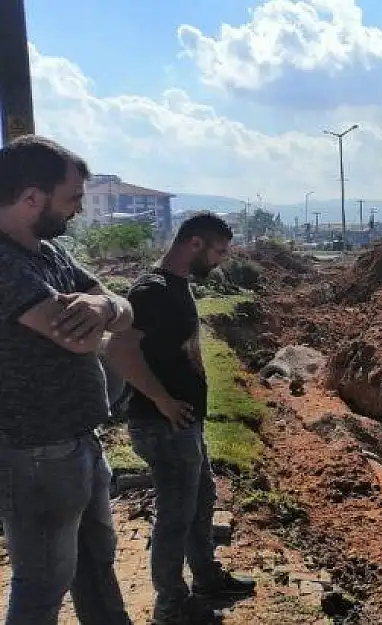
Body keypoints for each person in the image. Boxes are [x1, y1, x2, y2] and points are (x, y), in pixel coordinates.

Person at [0, 135, 134, 624]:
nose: (79, 210)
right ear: (33, 197)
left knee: (96, 563)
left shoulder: (47, 253)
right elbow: (78, 340)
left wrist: (103, 305)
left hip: (78, 441)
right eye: (73, 199)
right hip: (35, 455)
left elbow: (117, 306)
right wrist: (106, 317)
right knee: (42, 585)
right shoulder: (6, 264)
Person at [106, 213, 255, 624]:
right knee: (174, 516)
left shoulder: (176, 286)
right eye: (218, 251)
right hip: (163, 425)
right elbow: (120, 351)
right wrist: (162, 400)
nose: (221, 260)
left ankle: (206, 578)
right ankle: (171, 606)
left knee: (200, 500)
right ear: (194, 244)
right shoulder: (152, 291)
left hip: (183, 424)